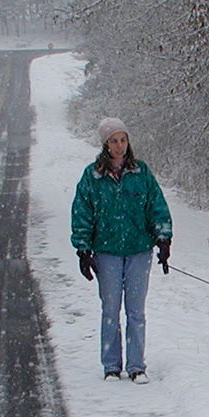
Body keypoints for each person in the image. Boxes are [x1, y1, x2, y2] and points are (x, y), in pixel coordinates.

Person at [71, 117, 173, 383]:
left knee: (136, 311)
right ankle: (111, 366)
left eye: (123, 139)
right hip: (106, 252)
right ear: (105, 144)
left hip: (139, 250)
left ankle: (137, 366)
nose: (119, 145)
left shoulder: (142, 173)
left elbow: (157, 206)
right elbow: (82, 213)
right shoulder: (92, 176)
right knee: (110, 310)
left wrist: (163, 239)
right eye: (114, 141)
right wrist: (83, 249)